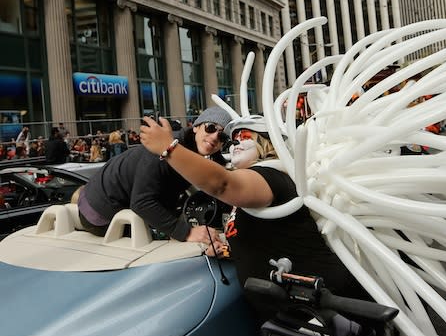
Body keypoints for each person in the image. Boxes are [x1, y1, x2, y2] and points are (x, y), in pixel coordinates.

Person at [139, 114, 363, 297]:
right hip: (287, 312)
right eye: (232, 140)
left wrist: (168, 148)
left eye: (243, 136)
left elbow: (221, 184)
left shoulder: (271, 176)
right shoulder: (251, 189)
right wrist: (225, 249)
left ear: (268, 144)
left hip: (323, 306)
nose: (235, 144)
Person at [77, 106, 233, 242]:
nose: (214, 137)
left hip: (103, 200)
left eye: (222, 136)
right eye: (210, 128)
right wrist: (186, 232)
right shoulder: (166, 149)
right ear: (195, 127)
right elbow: (142, 203)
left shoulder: (190, 152)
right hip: (99, 212)